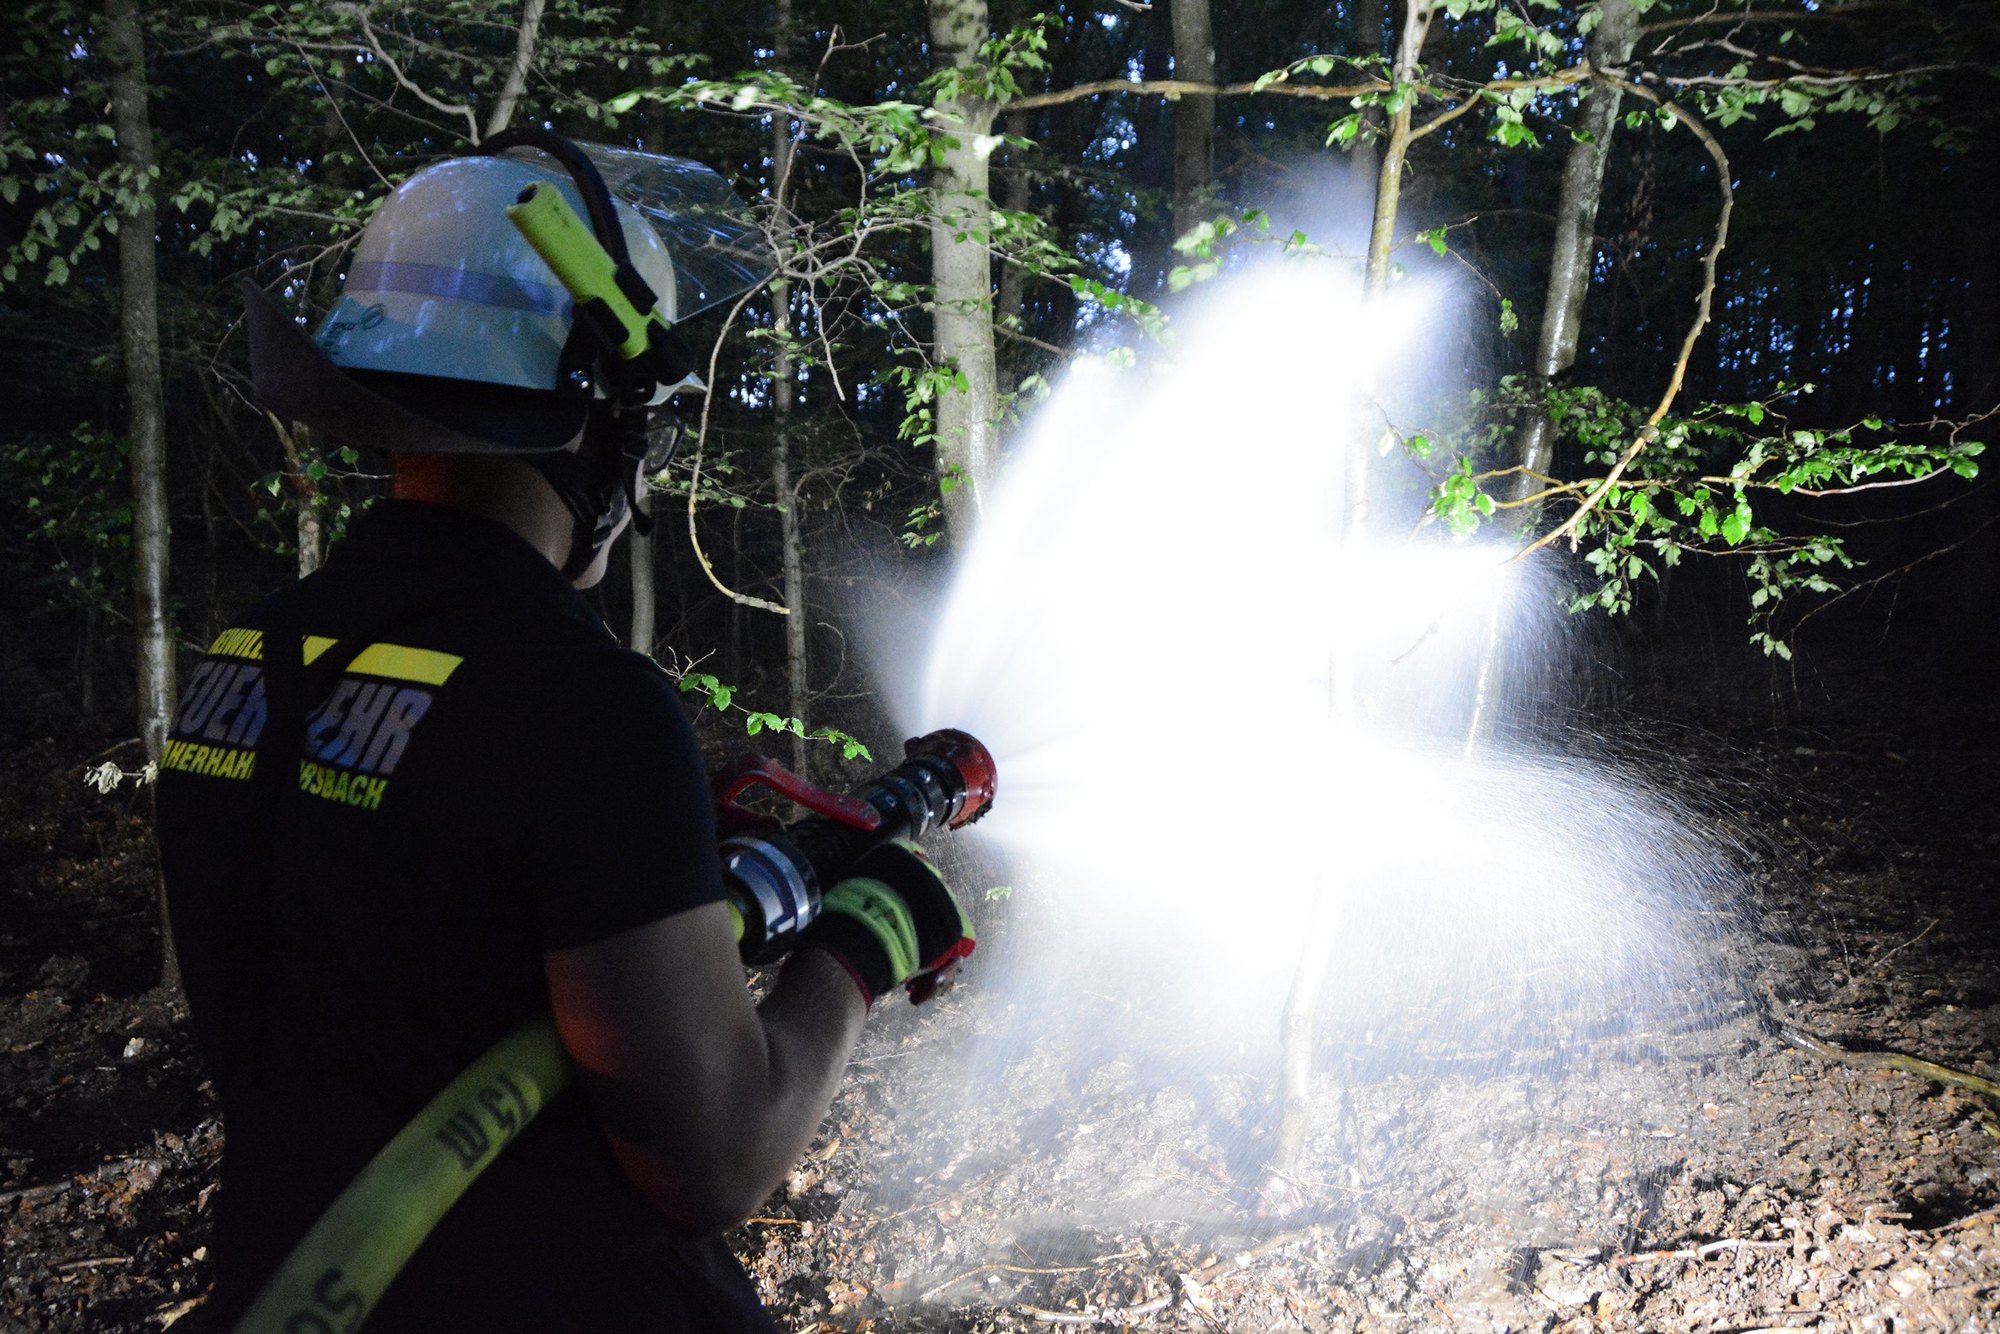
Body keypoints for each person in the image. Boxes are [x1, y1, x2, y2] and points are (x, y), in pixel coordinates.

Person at [154, 131, 973, 1332]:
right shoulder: (577, 706)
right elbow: (716, 1158)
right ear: (604, 411)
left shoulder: (248, 659)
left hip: (281, 1278)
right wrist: (858, 945)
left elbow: (406, 917)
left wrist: (652, 856)